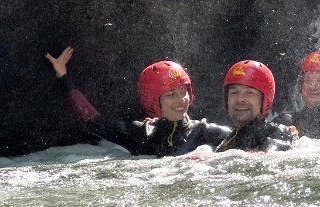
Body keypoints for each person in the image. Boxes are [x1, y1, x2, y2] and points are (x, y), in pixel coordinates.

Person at [45, 47, 228, 155]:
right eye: (170, 95)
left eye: (183, 92)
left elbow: (247, 142)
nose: (181, 100)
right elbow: (91, 120)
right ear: (153, 101)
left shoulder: (203, 132)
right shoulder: (140, 134)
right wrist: (63, 76)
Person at [217, 60, 294, 152]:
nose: (239, 99)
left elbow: (276, 147)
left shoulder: (277, 133)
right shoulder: (230, 139)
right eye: (234, 93)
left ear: (265, 101)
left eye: (249, 93)